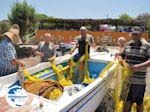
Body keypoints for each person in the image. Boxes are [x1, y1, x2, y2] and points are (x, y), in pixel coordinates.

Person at [120, 26, 150, 112]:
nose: (134, 36)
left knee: (139, 102)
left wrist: (138, 67)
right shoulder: (127, 45)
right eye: (133, 34)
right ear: (130, 35)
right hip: (126, 80)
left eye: (136, 34)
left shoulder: (146, 46)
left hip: (139, 82)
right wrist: (121, 61)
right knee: (126, 100)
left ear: (140, 35)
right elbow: (121, 55)